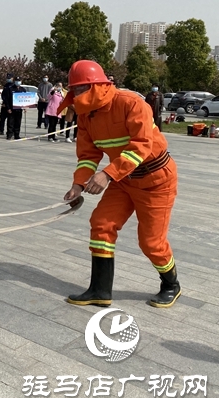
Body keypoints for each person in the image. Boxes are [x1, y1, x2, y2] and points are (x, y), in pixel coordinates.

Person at [62, 60, 180, 308]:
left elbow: (141, 146)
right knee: (101, 224)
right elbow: (87, 155)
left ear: (98, 86)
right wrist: (78, 185)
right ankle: (100, 290)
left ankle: (171, 283)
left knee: (151, 243)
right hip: (123, 179)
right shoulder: (86, 115)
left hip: (156, 180)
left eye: (81, 90)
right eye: (74, 91)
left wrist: (107, 174)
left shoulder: (131, 103)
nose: (77, 96)